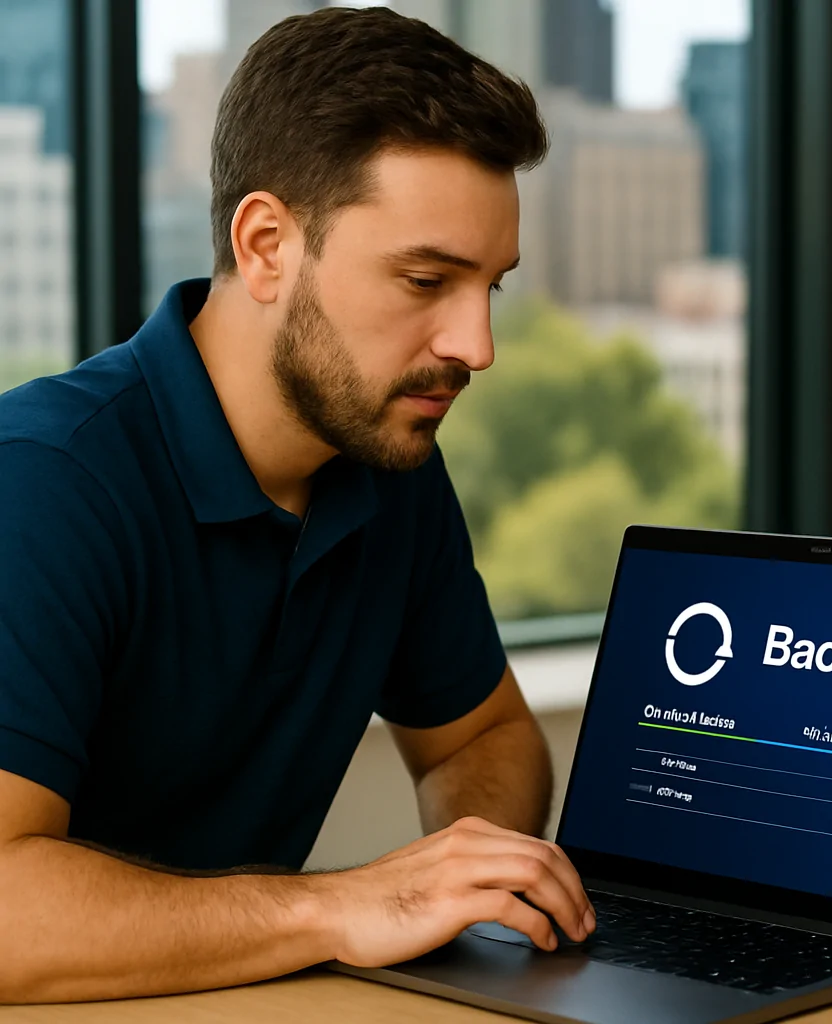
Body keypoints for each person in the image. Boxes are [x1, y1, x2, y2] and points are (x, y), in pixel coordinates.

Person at [0, 7, 596, 1003]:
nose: (476, 346)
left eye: (491, 287)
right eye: (426, 279)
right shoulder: (40, 483)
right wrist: (339, 906)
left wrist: (466, 882)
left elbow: (482, 736)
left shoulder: (386, 457)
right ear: (267, 244)